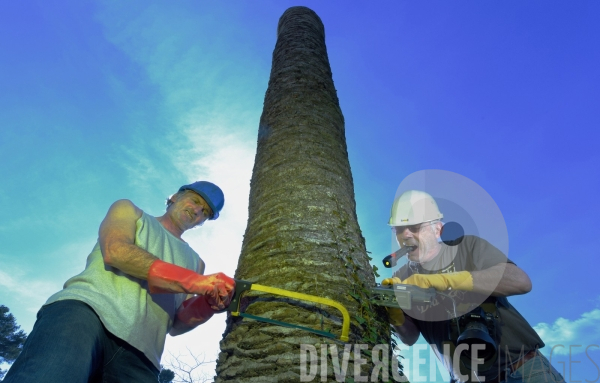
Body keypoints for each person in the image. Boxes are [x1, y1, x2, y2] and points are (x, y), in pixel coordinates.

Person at [4, 181, 236, 382]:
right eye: (194, 200)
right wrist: (196, 282)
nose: (197, 210)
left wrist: (208, 305)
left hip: (143, 355)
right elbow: (117, 251)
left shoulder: (197, 263)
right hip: (84, 315)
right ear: (175, 197)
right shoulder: (129, 210)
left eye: (204, 212)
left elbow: (176, 323)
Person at [382, 190, 564, 383]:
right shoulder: (401, 277)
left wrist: (444, 280)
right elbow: (409, 338)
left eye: (415, 227)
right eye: (399, 229)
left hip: (522, 371)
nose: (406, 235)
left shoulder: (467, 247)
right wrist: (396, 314)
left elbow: (520, 282)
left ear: (437, 229)